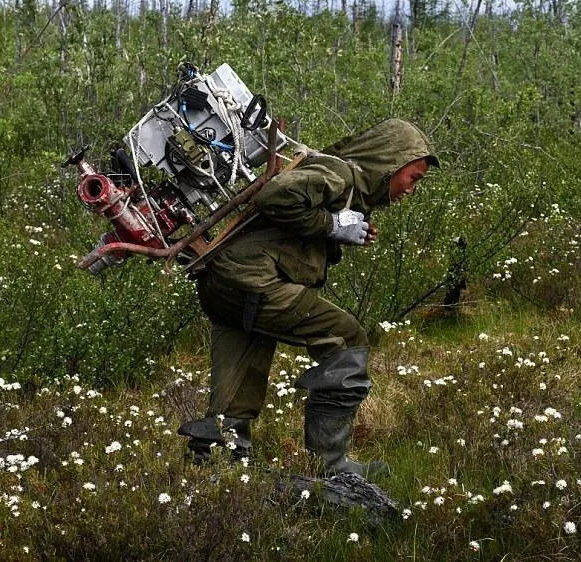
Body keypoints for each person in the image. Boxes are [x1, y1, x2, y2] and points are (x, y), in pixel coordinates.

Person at [177, 118, 439, 477]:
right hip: (250, 282)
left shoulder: (343, 184)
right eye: (414, 177)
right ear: (391, 163)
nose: (412, 188)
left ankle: (216, 470)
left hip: (224, 284)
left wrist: (338, 232)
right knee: (347, 338)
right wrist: (331, 226)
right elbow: (276, 197)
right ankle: (331, 467)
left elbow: (291, 221)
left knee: (239, 381)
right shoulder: (340, 175)